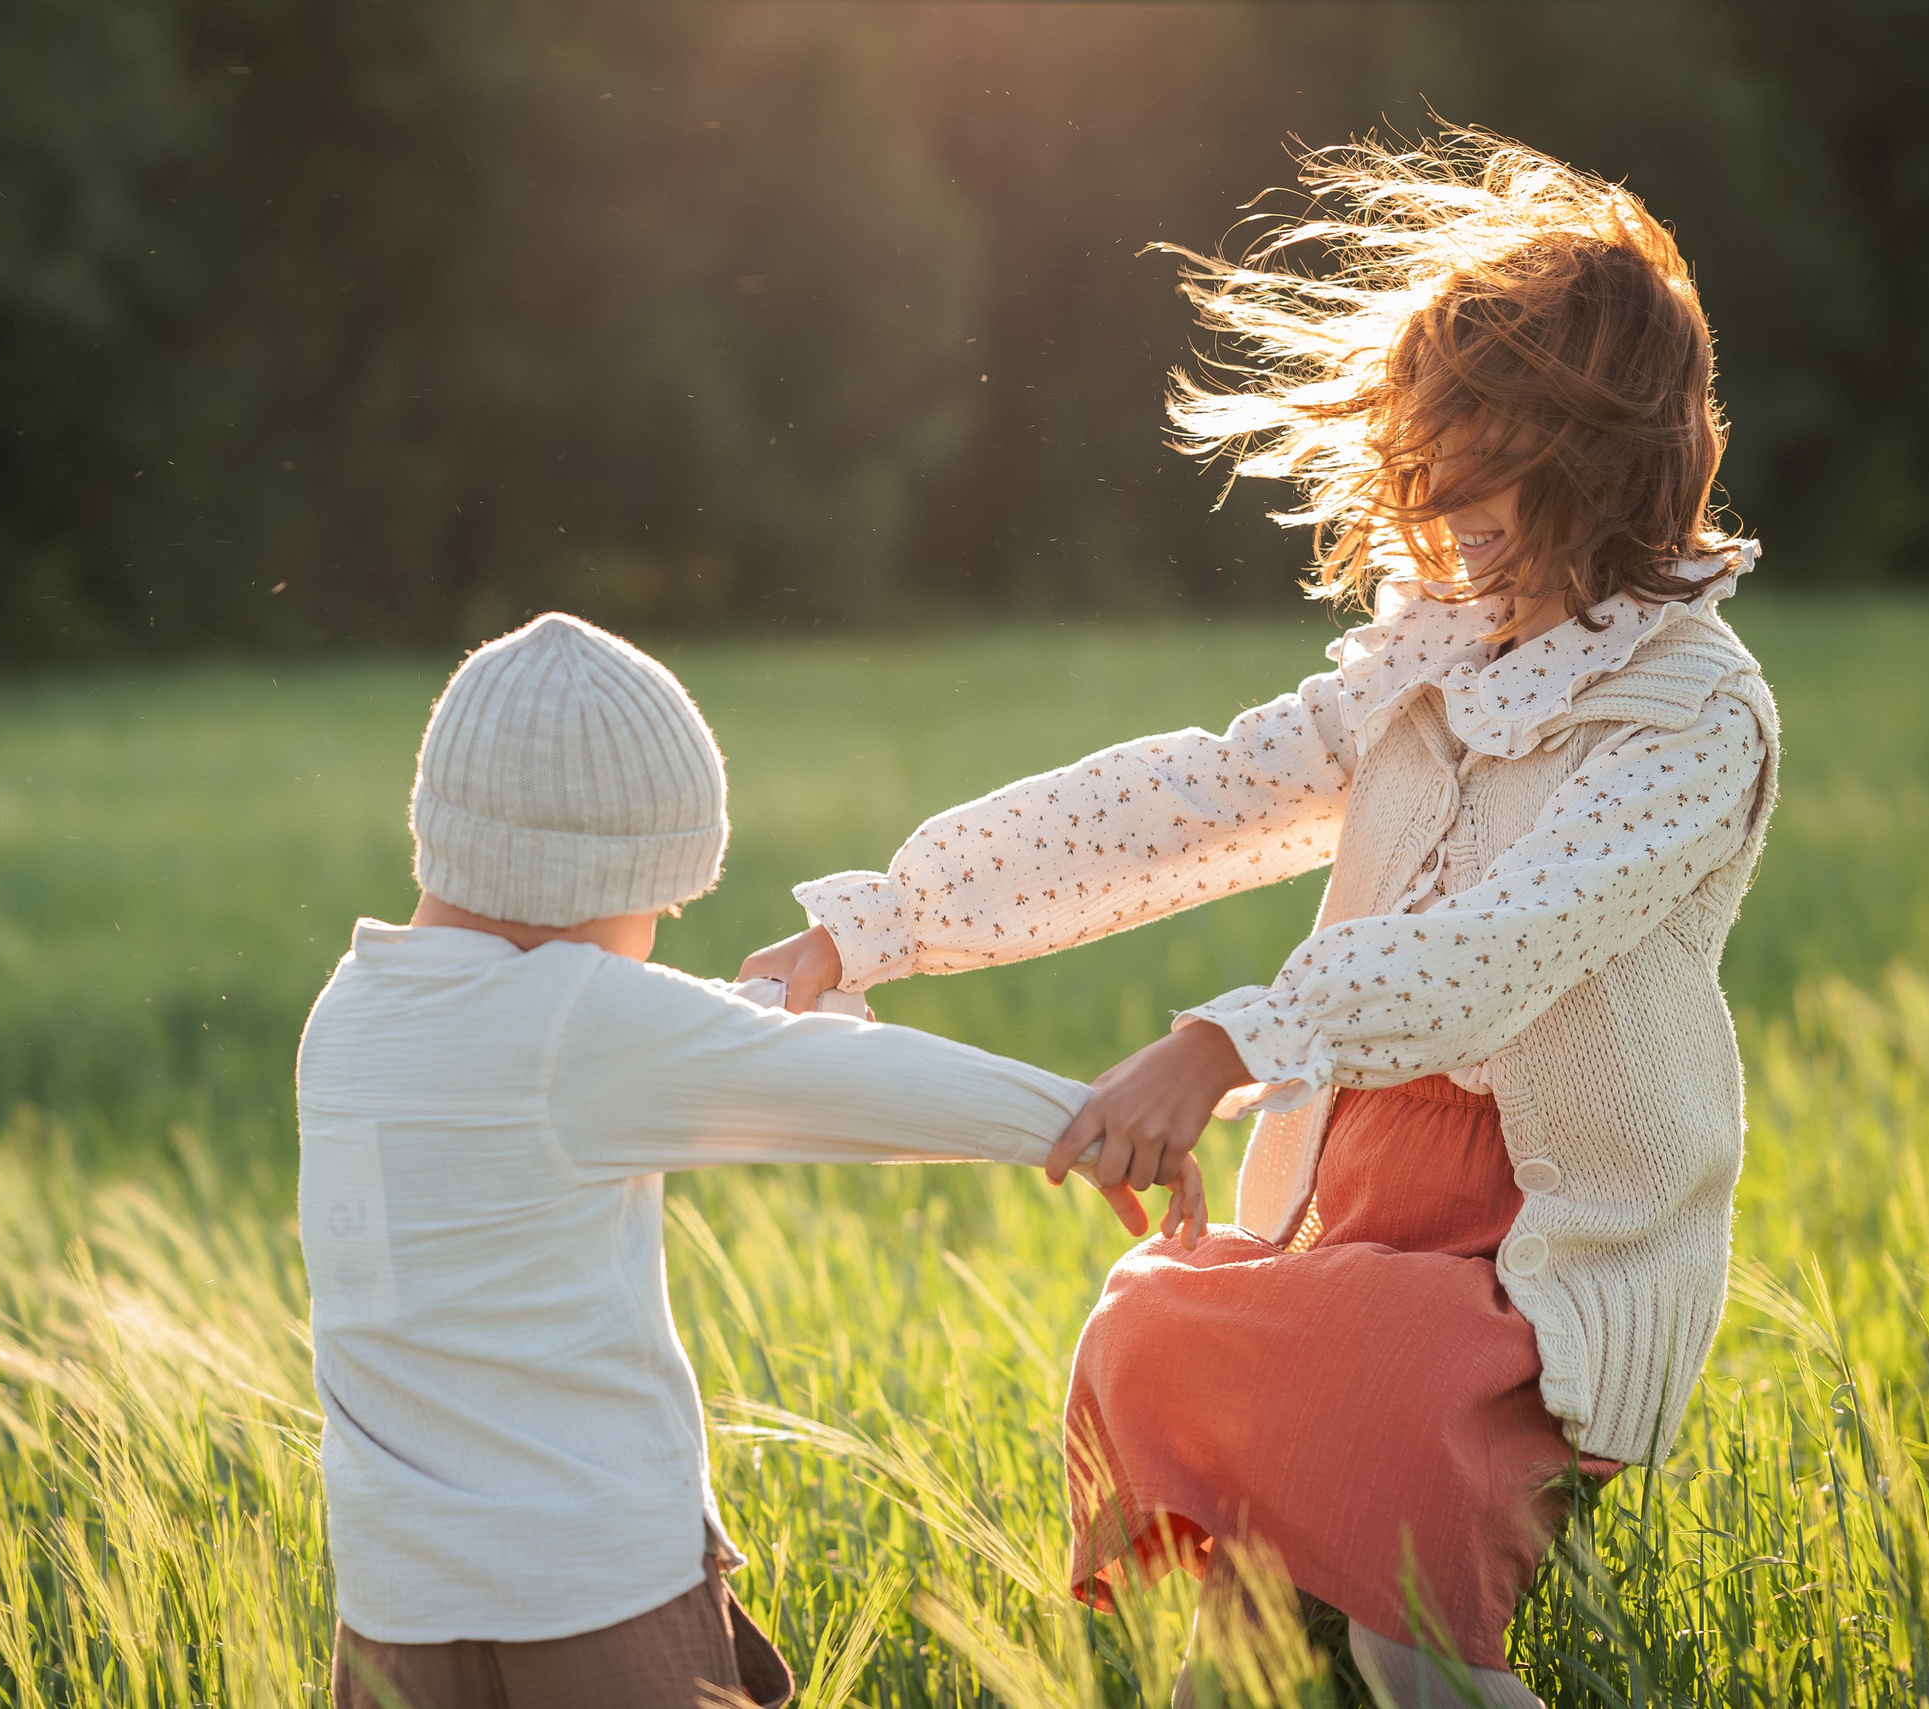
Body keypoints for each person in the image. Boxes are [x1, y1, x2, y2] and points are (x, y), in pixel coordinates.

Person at [740, 129, 1779, 1707]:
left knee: (1396, 1618)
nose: (1439, 500)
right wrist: (877, 924)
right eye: (1428, 454)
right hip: (1355, 1193)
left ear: (1608, 452)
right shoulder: (1427, 659)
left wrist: (1225, 1043)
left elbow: (1499, 954)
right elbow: (1183, 801)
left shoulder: (1693, 716)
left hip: (1539, 1247)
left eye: (1484, 456)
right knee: (1175, 1412)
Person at [298, 611, 1203, 1709]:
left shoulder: (352, 1011)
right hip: (594, 1598)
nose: (659, 931)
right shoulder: (585, 1021)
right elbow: (831, 1080)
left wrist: (728, 1017)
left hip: (394, 1614)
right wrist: (1081, 1117)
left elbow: (573, 1057)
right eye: (661, 903)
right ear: (608, 877)